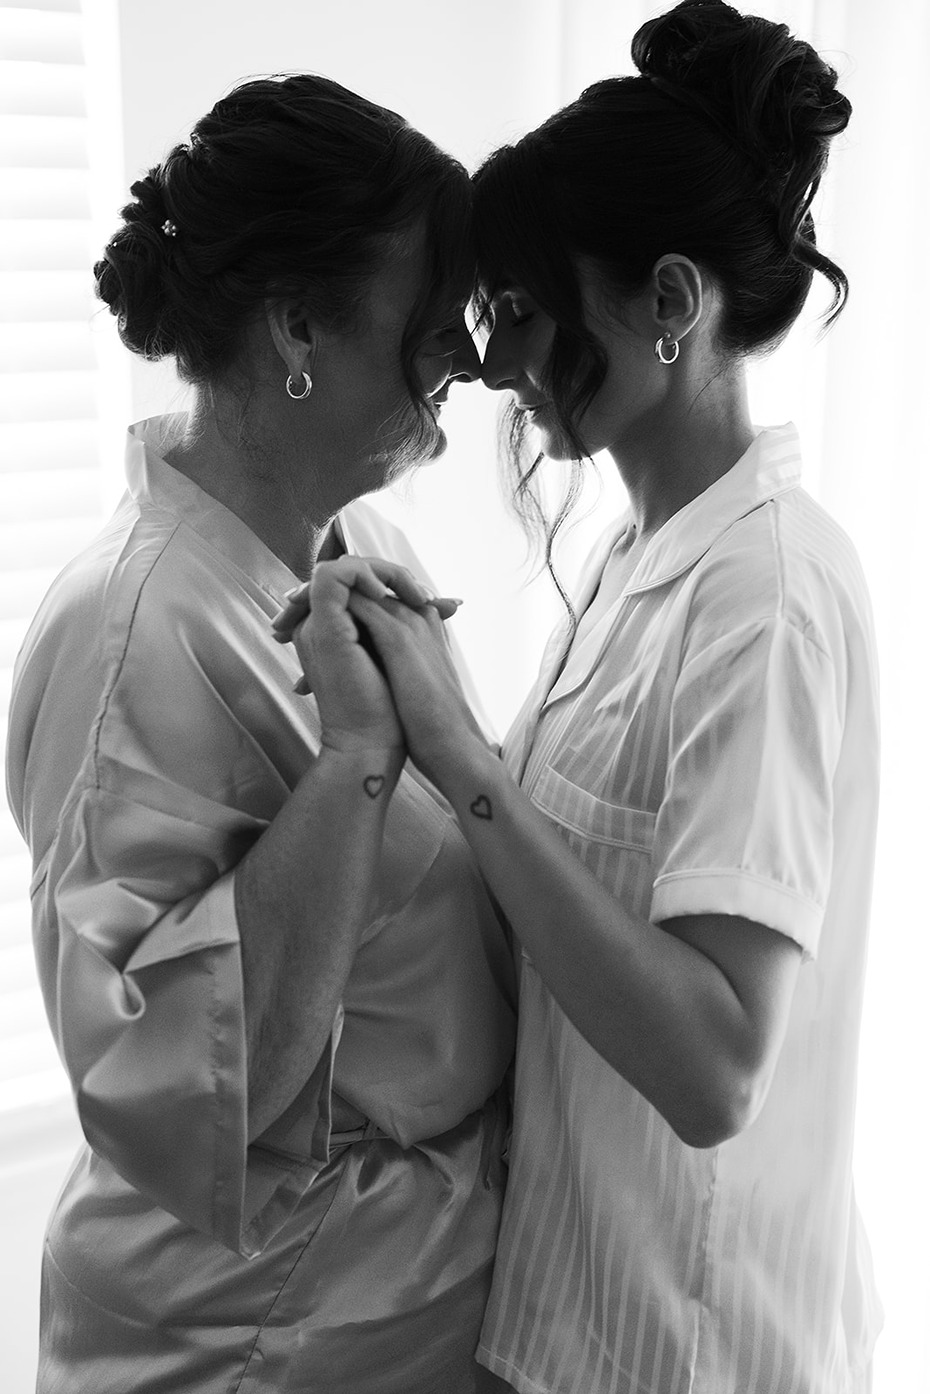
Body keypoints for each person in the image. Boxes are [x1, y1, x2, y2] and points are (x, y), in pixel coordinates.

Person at [284, 3, 883, 1391]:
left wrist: (454, 746)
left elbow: (714, 1065)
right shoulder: (637, 557)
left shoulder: (768, 596)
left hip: (689, 1347)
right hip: (566, 1317)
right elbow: (566, 899)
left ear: (668, 304)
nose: (490, 361)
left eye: (521, 309)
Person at [5, 74, 515, 1393]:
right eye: (431, 311)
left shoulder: (358, 543)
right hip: (252, 1341)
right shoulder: (135, 633)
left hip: (403, 1298)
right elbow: (176, 1095)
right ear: (298, 324)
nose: (464, 354)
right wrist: (354, 766)